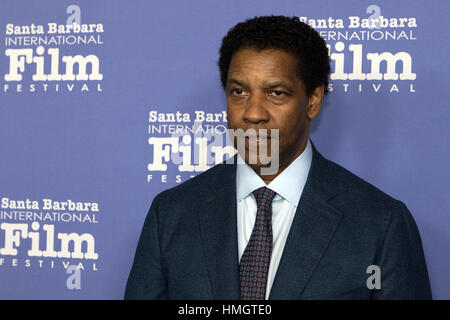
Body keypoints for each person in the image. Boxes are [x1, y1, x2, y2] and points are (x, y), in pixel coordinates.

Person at [124, 15, 432, 300]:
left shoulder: (381, 224)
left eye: (276, 93)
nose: (253, 113)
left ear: (313, 101)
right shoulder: (172, 214)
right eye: (239, 92)